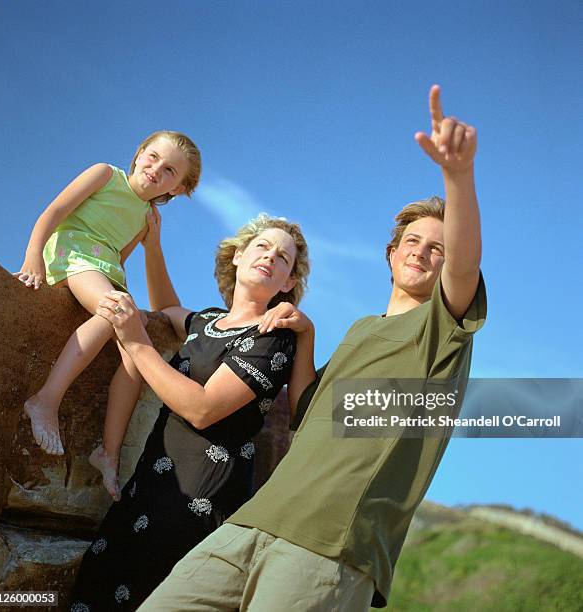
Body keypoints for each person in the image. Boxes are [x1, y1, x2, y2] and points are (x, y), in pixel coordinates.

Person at [137, 84, 487, 611]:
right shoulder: (361, 329)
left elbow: (463, 265)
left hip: (332, 546)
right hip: (252, 523)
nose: (422, 252)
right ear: (391, 254)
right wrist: (306, 335)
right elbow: (305, 410)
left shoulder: (442, 329)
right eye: (412, 241)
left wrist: (457, 175)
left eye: (437, 248)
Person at [68, 212, 310, 611]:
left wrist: (137, 342)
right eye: (262, 246)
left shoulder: (275, 339)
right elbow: (167, 307)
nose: (270, 256)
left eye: (283, 258)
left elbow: (202, 409)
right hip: (144, 491)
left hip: (197, 505)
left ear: (287, 283)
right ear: (237, 256)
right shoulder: (208, 322)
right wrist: (153, 245)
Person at [15, 131, 201, 501]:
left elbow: (118, 259)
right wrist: (32, 256)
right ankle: (46, 399)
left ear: (178, 189)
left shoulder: (147, 216)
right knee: (116, 309)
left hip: (105, 271)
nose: (155, 170)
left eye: (169, 172)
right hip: (74, 253)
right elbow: (54, 212)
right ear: (138, 154)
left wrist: (151, 243)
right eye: (152, 158)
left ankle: (108, 453)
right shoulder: (105, 174)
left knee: (137, 353)